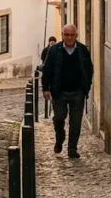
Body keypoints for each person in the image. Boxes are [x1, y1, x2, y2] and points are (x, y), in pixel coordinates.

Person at [40, 25, 93, 158]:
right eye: (67, 35)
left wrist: (86, 86)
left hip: (77, 92)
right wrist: (46, 88)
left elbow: (89, 69)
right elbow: (47, 69)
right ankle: (59, 138)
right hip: (59, 92)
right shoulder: (54, 50)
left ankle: (72, 149)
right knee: (58, 119)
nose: (69, 38)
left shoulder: (82, 50)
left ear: (76, 35)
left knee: (75, 122)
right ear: (62, 35)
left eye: (72, 35)